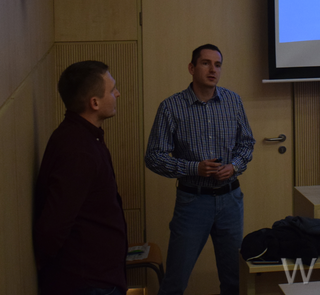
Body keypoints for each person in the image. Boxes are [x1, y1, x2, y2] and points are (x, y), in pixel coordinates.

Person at [145, 44, 256, 295]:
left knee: (234, 279)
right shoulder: (171, 107)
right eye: (206, 63)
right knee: (175, 281)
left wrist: (234, 166)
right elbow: (153, 157)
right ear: (191, 68)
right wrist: (194, 168)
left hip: (230, 199)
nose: (212, 70)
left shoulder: (233, 101)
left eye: (217, 65)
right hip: (193, 202)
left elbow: (247, 143)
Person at [34, 60, 128, 295]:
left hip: (96, 277)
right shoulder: (79, 152)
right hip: (87, 282)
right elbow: (53, 226)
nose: (118, 93)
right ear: (94, 103)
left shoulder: (83, 136)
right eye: (112, 89)